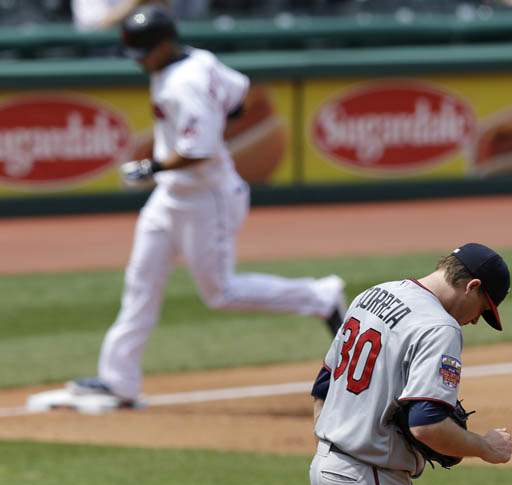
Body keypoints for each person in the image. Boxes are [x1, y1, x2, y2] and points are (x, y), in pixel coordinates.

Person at [66, 4, 345, 407]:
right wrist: (204, 130)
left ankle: (320, 296)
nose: (140, 62)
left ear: (163, 45)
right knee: (141, 282)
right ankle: (119, 380)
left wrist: (153, 165)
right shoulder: (199, 58)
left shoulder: (186, 82)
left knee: (221, 292)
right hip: (171, 195)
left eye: (144, 52)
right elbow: (242, 94)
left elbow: (200, 150)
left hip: (206, 197)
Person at [304, 243, 512, 485]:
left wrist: (333, 470)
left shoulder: (374, 294)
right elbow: (426, 425)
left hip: (331, 469)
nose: (474, 320)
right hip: (370, 480)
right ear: (472, 285)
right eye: (483, 309)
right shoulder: (440, 327)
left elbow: (324, 387)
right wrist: (485, 447)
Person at [71, 0, 169, 31]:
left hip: (143, 39)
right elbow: (100, 26)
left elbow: (163, 12)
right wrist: (135, 2)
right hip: (100, 52)